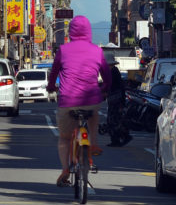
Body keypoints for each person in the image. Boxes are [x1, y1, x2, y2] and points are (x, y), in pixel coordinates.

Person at [47, 14, 111, 186]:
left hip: (67, 100)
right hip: (91, 98)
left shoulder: (63, 50)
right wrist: (104, 88)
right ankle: (94, 143)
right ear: (89, 31)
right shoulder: (97, 51)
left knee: (65, 138)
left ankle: (65, 169)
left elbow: (53, 73)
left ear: (71, 31)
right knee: (93, 114)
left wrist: (51, 86)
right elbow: (107, 75)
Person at [105, 55, 132, 147]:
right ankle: (117, 139)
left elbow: (110, 85)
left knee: (114, 120)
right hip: (114, 100)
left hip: (116, 100)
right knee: (114, 120)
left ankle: (120, 138)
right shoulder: (112, 71)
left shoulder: (113, 72)